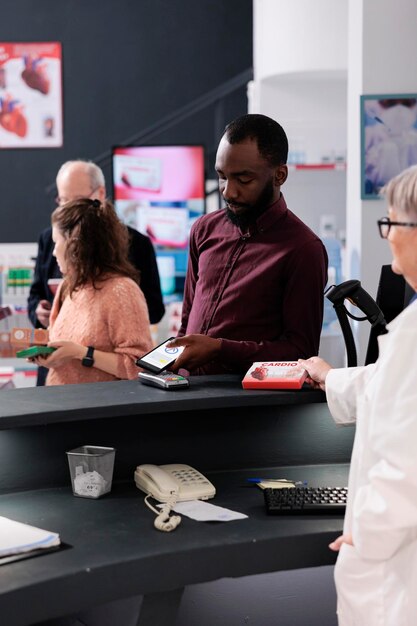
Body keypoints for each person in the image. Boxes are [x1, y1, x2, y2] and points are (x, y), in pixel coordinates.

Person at [298, 164, 417, 625]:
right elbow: (387, 384)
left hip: (399, 571)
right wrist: (331, 377)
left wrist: (366, 533)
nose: (387, 236)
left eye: (390, 222)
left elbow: (408, 466)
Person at [169, 113, 328, 375]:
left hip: (249, 407)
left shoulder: (303, 249)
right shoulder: (204, 230)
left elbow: (301, 352)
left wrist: (220, 349)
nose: (228, 192)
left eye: (243, 180)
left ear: (279, 175)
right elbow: (187, 324)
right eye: (222, 176)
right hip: (185, 397)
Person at [28, 159, 164, 384]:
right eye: (63, 200)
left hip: (97, 408)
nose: (53, 253)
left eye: (75, 200)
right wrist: (48, 352)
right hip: (60, 401)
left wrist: (80, 353)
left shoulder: (122, 290)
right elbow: (56, 335)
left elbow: (138, 363)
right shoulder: (69, 285)